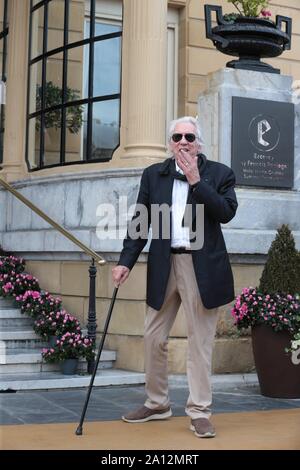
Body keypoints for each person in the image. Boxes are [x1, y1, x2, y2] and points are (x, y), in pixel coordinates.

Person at [112, 116, 238, 438]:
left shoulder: (220, 173)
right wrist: (126, 262)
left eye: (190, 137)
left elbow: (226, 212)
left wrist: (198, 181)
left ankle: (199, 411)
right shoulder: (154, 175)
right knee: (153, 334)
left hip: (202, 267)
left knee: (200, 343)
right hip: (164, 263)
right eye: (177, 136)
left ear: (199, 143)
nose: (183, 141)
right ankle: (157, 403)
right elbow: (140, 224)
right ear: (170, 142)